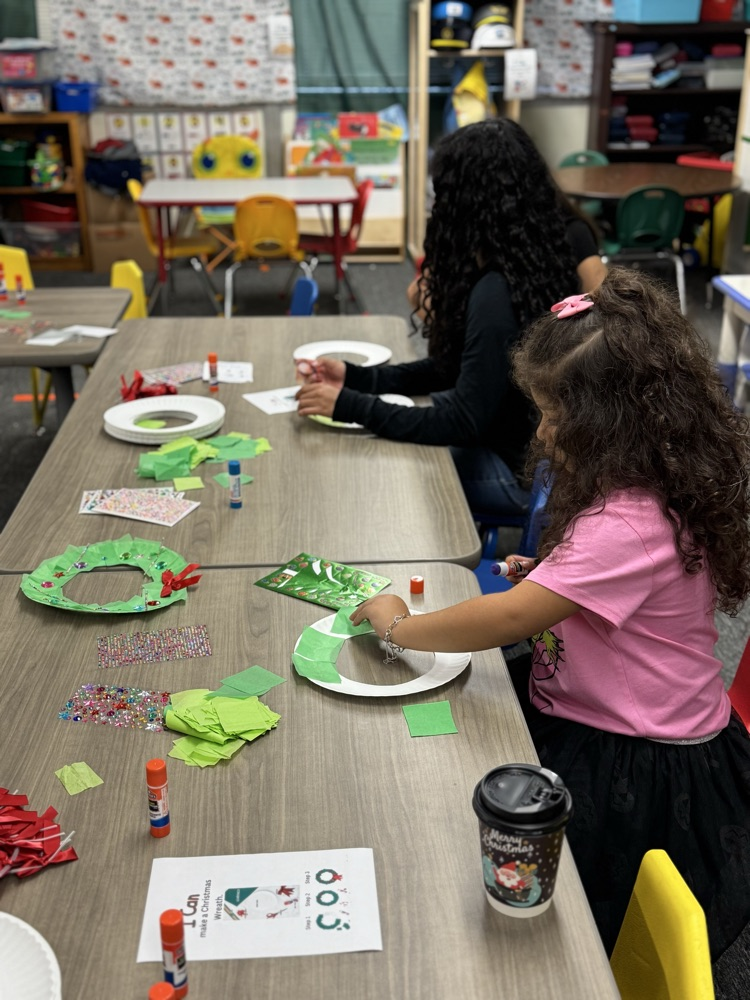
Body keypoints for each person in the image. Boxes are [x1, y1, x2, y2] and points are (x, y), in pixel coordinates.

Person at [350, 266, 750, 961]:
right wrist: (553, 579)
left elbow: (507, 622)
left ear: (611, 422)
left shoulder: (627, 522)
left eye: (556, 416)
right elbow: (621, 597)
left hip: (640, 764)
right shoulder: (650, 486)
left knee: (556, 928)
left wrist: (396, 627)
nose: (543, 429)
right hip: (602, 718)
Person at [296, 118, 585, 519]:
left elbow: (462, 420)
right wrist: (359, 379)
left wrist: (350, 406)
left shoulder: (496, 293)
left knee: (379, 466)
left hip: (514, 473)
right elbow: (455, 369)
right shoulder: (537, 262)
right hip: (531, 459)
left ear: (465, 204)